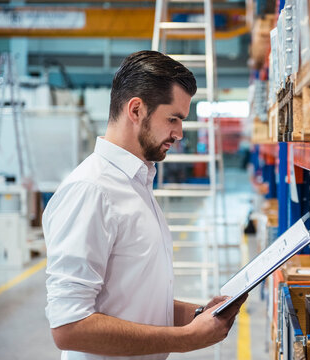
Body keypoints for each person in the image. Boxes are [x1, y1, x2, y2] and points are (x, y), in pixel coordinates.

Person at [42, 50, 246, 360]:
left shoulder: (135, 183)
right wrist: (185, 339)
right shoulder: (91, 190)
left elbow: (134, 301)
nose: (178, 133)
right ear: (136, 109)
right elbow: (69, 326)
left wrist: (201, 315)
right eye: (173, 118)